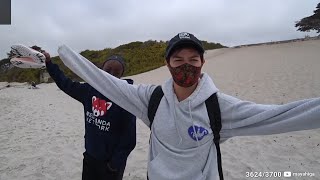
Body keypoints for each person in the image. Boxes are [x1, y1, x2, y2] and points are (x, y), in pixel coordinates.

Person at [25, 32, 320, 180]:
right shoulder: (149, 99)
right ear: (167, 63)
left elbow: (280, 116)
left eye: (193, 60)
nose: (186, 66)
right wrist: (60, 56)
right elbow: (98, 80)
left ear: (202, 63)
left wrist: (117, 161)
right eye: (178, 60)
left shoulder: (220, 108)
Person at [43, 51, 136, 180]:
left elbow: (129, 140)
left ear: (121, 75)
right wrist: (49, 63)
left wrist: (114, 164)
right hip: (90, 157)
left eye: (116, 72)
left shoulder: (125, 99)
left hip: (111, 165)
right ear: (100, 70)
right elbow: (65, 83)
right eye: (108, 70)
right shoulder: (88, 90)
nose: (111, 74)